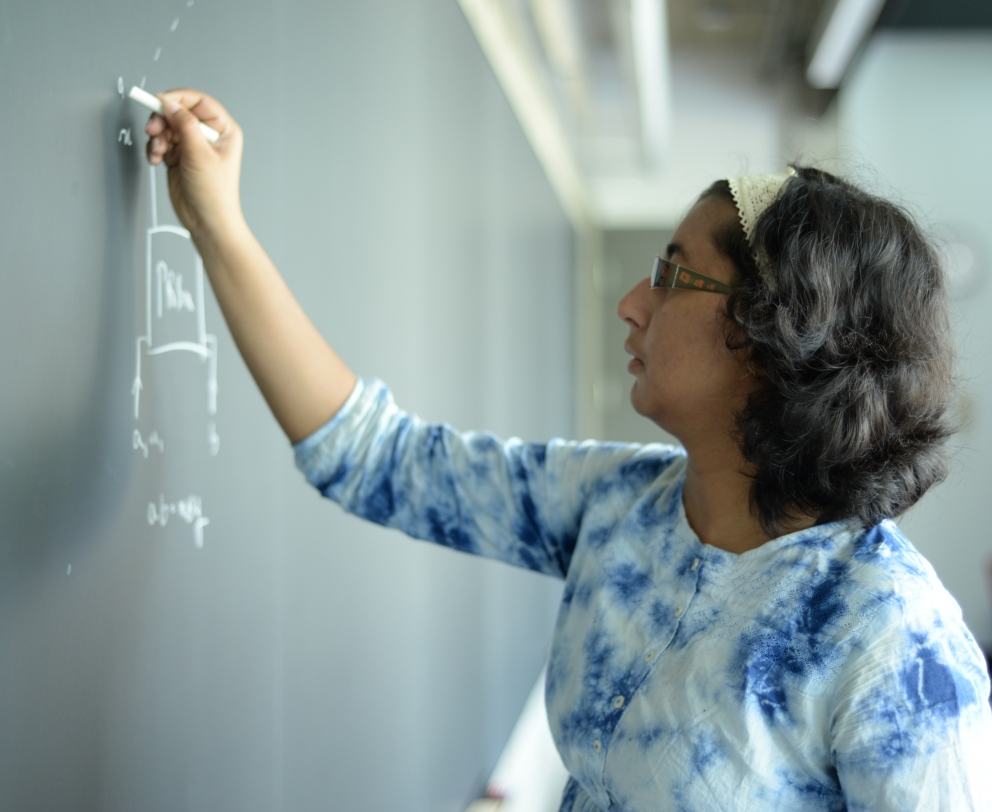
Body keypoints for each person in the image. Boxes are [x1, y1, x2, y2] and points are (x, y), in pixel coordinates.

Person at [144, 90, 992, 811]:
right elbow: (376, 457)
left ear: (778, 333)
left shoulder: (894, 644)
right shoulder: (621, 502)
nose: (631, 302)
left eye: (671, 275)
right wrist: (217, 222)